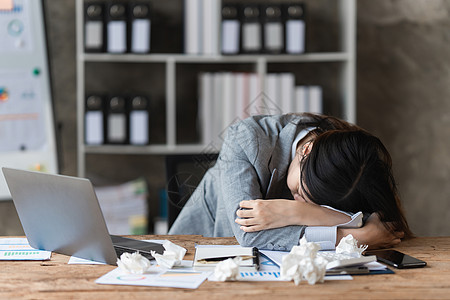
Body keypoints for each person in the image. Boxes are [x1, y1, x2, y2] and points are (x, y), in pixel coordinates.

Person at [168, 113, 412, 251]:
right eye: (302, 193)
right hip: (200, 251)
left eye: (316, 203)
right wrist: (355, 238)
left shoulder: (352, 161)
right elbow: (248, 236)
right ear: (306, 149)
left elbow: (377, 221)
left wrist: (301, 212)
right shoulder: (246, 139)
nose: (304, 200)